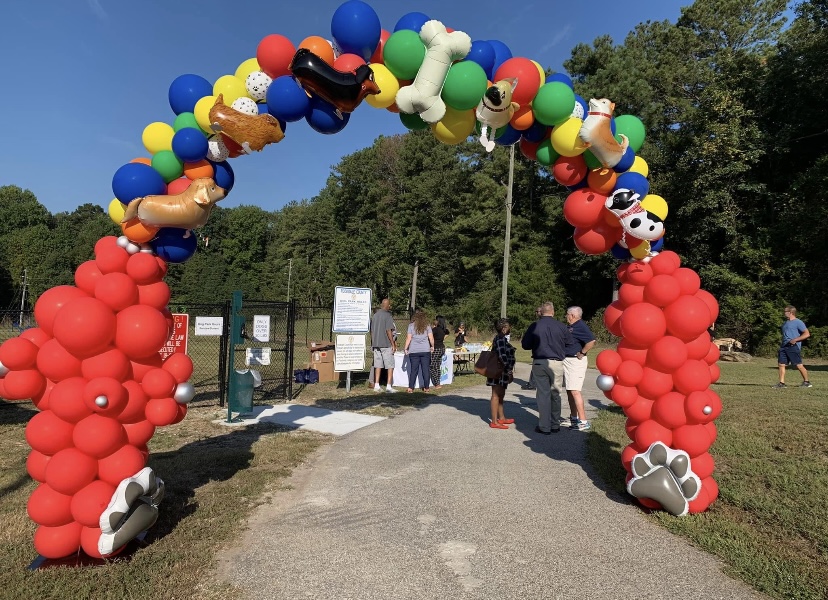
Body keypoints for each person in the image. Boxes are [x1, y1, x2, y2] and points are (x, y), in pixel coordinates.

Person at [521, 301, 577, 434]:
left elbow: (525, 345)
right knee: (556, 393)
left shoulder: (535, 326)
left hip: (540, 362)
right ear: (553, 312)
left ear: (542, 312)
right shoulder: (561, 326)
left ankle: (544, 426)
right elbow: (571, 343)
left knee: (543, 394)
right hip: (557, 363)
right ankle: (555, 424)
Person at [562, 306, 597, 431]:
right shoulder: (572, 326)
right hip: (567, 360)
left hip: (575, 362)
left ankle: (583, 421)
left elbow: (591, 341)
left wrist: (582, 352)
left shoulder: (580, 326)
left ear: (573, 315)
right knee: (569, 390)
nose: (566, 316)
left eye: (567, 314)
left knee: (575, 391)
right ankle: (574, 418)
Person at [488, 318, 517, 429]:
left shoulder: (502, 339)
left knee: (501, 395)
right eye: (509, 326)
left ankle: (502, 417)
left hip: (502, 371)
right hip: (498, 371)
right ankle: (494, 421)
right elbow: (502, 356)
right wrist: (509, 370)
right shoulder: (500, 339)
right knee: (496, 395)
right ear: (504, 328)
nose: (510, 328)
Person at [774, 305, 812, 388]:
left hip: (793, 346)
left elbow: (807, 334)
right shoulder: (785, 323)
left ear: (791, 312)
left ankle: (807, 382)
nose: (784, 313)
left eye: (785, 311)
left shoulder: (798, 322)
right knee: (781, 364)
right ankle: (781, 383)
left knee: (798, 365)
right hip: (784, 346)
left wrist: (795, 340)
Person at [370, 298, 397, 393]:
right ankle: (389, 386)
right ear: (387, 305)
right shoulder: (388, 315)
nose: (390, 306)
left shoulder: (375, 315)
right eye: (389, 305)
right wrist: (393, 343)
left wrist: (373, 343)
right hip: (386, 344)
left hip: (376, 343)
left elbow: (372, 331)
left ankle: (376, 385)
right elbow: (388, 330)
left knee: (378, 365)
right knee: (390, 365)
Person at [404, 309, 434, 392]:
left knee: (414, 369)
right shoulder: (427, 326)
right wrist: (432, 346)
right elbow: (431, 338)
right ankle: (427, 388)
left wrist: (406, 348)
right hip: (425, 350)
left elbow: (408, 338)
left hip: (414, 350)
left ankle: (410, 388)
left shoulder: (411, 326)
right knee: (425, 369)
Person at [521, 306, 543, 390]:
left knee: (536, 367)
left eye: (537, 311)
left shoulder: (536, 325)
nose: (536, 313)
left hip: (539, 352)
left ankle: (532, 384)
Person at [430, 315, 449, 390]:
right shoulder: (443, 330)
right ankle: (438, 382)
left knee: (431, 366)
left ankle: (437, 383)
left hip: (437, 348)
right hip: (442, 348)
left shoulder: (435, 329)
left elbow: (430, 337)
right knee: (437, 366)